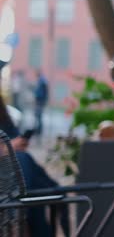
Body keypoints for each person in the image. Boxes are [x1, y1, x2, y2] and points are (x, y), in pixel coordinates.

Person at [0, 93, 67, 237]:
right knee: (24, 163)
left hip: (15, 177)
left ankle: (19, 217)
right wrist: (7, 148)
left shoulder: (3, 115)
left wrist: (19, 142)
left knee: (50, 191)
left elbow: (14, 137)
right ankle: (19, 218)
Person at [33, 69, 49, 135]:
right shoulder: (40, 79)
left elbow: (45, 90)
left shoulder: (42, 80)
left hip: (40, 100)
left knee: (39, 115)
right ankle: (38, 130)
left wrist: (44, 99)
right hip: (39, 100)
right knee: (37, 115)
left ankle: (39, 131)